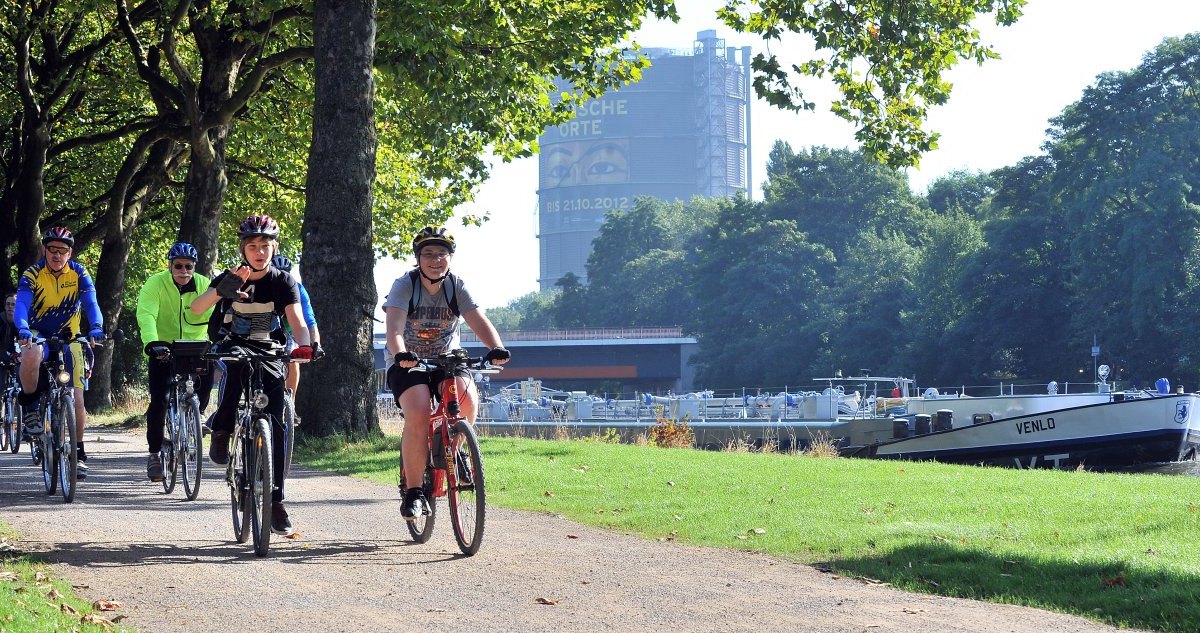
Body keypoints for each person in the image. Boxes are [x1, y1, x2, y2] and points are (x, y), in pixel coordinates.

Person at [190, 215, 313, 536]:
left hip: (268, 347)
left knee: (276, 420)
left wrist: (305, 345)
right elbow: (197, 310)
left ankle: (276, 503)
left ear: (274, 248)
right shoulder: (230, 276)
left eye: (265, 246)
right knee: (232, 384)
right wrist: (222, 290)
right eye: (253, 246)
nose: (259, 252)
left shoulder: (282, 281)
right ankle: (221, 428)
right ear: (243, 249)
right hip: (233, 345)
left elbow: (296, 319)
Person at [382, 226, 510, 521]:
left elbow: (478, 320)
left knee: (468, 403)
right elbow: (394, 329)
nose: (435, 259)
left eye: (442, 253)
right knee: (418, 412)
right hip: (408, 361)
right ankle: (414, 492)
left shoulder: (456, 286)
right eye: (428, 254)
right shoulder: (405, 285)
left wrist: (496, 347)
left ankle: (458, 450)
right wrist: (401, 352)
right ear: (418, 258)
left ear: (450, 258)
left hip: (446, 359)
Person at [13, 227, 104, 479]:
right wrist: (22, 327)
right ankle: (31, 406)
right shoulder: (33, 273)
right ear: (45, 249)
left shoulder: (79, 272)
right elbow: (21, 303)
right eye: (52, 249)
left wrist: (96, 327)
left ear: (69, 253)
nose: (56, 254)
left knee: (76, 398)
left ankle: (78, 452)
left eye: (62, 251)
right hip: (37, 333)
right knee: (30, 354)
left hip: (70, 338)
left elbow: (91, 303)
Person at [135, 242, 215, 482]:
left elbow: (216, 314)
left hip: (195, 346)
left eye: (188, 266)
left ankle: (197, 414)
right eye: (178, 266)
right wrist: (152, 342)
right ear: (169, 266)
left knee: (207, 377)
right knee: (160, 400)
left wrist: (219, 340)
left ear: (194, 267)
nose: (183, 271)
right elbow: (147, 314)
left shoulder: (204, 285)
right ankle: (154, 454)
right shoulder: (155, 283)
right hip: (163, 347)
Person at [270, 254, 322, 402]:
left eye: (285, 273)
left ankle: (290, 403)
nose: (281, 278)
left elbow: (309, 320)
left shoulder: (298, 289)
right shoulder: (262, 285)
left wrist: (316, 344)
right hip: (265, 328)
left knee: (293, 359)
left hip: (289, 328)